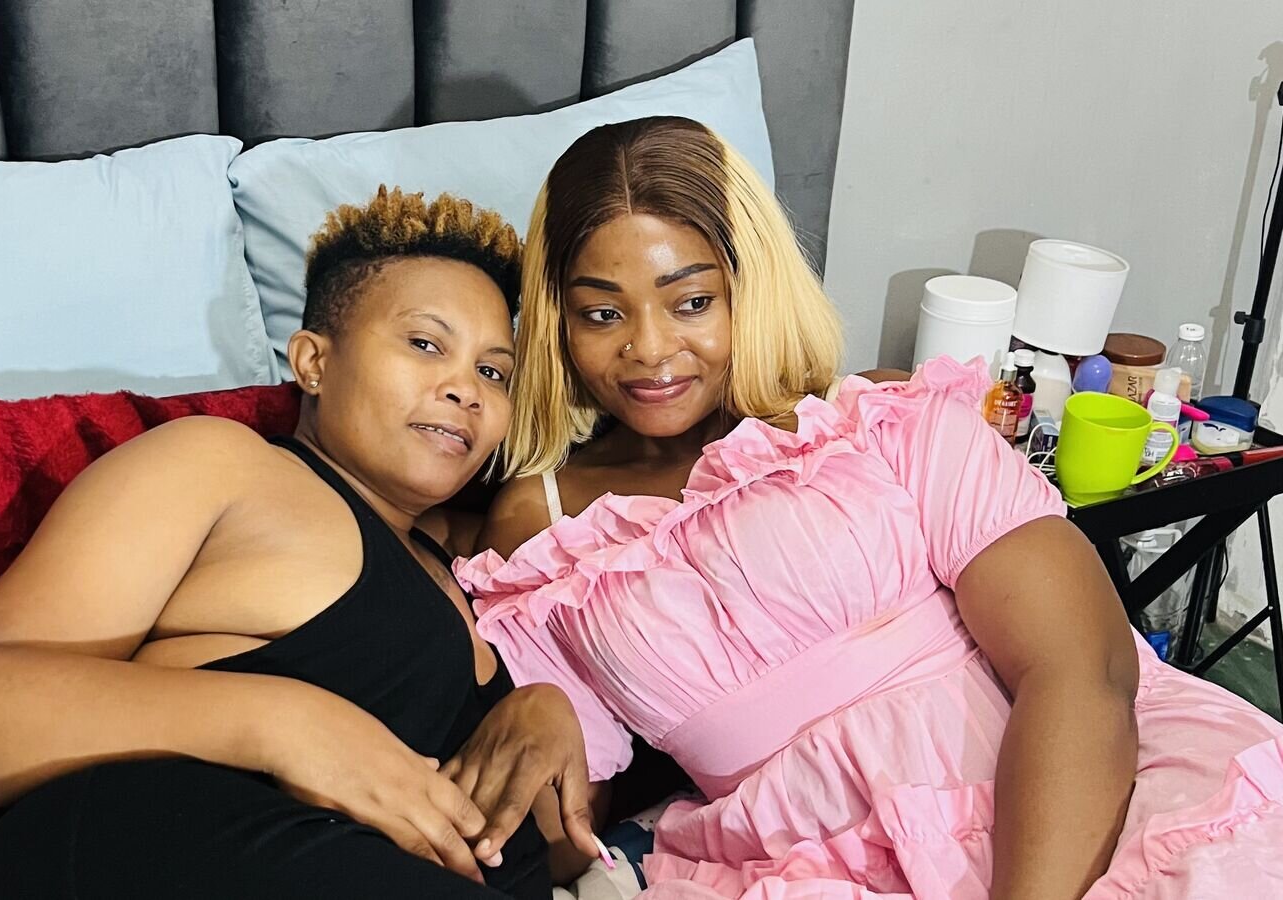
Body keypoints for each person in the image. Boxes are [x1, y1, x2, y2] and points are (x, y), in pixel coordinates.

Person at [462, 116, 1283, 899]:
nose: (648, 347)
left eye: (692, 301)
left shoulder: (878, 421)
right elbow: (565, 838)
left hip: (1071, 803)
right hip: (795, 866)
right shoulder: (540, 530)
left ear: (751, 287)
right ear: (559, 321)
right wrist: (538, 710)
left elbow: (1083, 667)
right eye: (603, 313)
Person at [0, 187, 599, 899]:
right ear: (313, 362)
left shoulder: (474, 574)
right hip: (146, 847)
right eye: (425, 344)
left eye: (493, 371)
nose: (467, 390)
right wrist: (288, 724)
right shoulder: (223, 466)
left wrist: (542, 715)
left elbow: (555, 856)